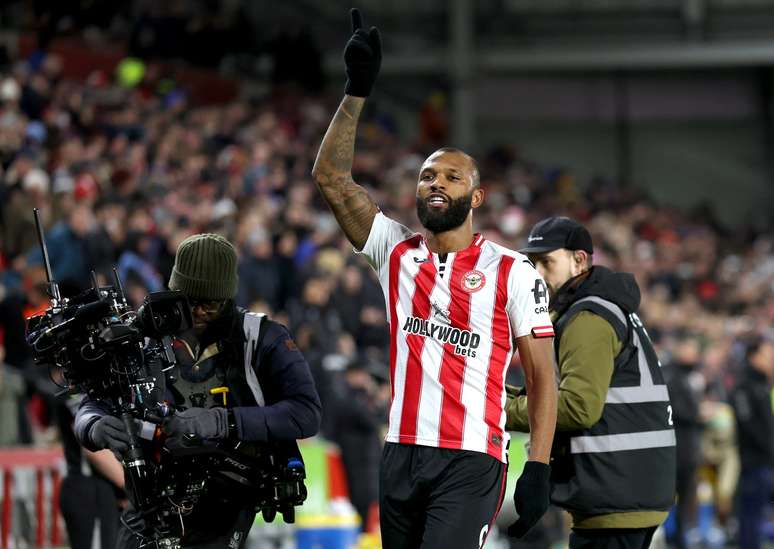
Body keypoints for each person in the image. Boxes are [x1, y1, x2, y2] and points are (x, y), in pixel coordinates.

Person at [312, 9, 558, 548]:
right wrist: (356, 91)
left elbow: (543, 378)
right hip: (399, 451)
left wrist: (538, 465)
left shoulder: (513, 271)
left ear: (476, 197)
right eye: (427, 176)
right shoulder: (393, 251)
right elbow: (330, 178)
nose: (436, 183)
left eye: (451, 176)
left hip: (472, 457)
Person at [74, 233, 322, 548]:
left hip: (227, 499)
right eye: (191, 302)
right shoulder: (140, 336)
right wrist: (95, 427)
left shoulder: (262, 338)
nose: (201, 312)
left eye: (212, 304)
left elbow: (306, 413)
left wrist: (220, 421)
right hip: (153, 499)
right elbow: (89, 407)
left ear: (229, 297)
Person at [505, 216, 676, 549]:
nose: (537, 273)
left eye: (547, 261)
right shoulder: (605, 307)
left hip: (613, 491)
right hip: (631, 486)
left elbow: (579, 407)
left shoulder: (588, 317)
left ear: (579, 260)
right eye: (532, 263)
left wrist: (502, 410)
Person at [730, 335, 774, 549]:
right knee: (750, 516)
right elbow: (750, 427)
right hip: (753, 463)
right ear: (753, 357)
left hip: (765, 462)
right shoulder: (744, 388)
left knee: (757, 515)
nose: (771, 359)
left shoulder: (763, 387)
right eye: (767, 355)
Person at [665, 334, 706, 549]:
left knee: (687, 497)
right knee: (667, 496)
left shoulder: (692, 375)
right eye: (689, 348)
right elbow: (679, 409)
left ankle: (681, 538)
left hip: (688, 448)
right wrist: (699, 413)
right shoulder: (672, 375)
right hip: (675, 447)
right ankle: (667, 537)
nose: (693, 353)